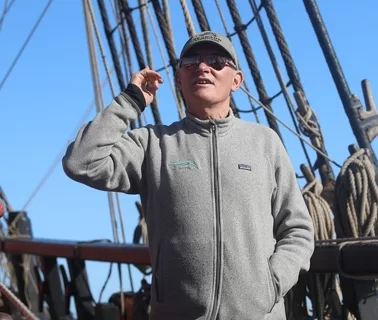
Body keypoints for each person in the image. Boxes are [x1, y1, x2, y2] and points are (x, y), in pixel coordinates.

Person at [62, 31, 314, 320]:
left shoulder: (264, 142)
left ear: (236, 80)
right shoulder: (153, 143)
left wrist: (271, 285)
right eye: (191, 62)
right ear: (179, 79)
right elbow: (80, 161)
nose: (203, 67)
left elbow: (298, 229)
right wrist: (130, 102)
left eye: (217, 61)